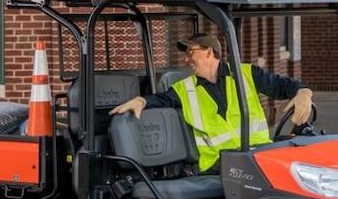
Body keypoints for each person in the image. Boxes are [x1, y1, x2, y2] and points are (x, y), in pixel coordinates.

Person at [110, 33, 313, 173]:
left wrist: (302, 91)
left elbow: (282, 85)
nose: (187, 59)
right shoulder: (184, 88)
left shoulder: (247, 74)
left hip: (255, 156)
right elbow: (162, 99)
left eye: (191, 52)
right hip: (218, 164)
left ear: (209, 52)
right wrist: (141, 100)